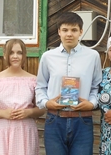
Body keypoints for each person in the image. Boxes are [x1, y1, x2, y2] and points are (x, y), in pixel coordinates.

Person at [35, 11, 103, 155]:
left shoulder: (93, 56)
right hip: (54, 120)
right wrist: (46, 103)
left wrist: (92, 103)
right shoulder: (48, 57)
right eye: (65, 30)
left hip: (82, 120)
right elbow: (40, 86)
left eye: (74, 30)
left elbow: (96, 86)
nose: (69, 34)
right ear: (59, 32)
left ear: (81, 32)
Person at [0, 39, 45, 155]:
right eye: (11, 52)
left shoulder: (33, 80)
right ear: (5, 55)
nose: (15, 56)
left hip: (25, 131)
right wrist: (3, 113)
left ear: (24, 55)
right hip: (2, 130)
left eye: (19, 53)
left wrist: (28, 112)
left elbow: (41, 108)